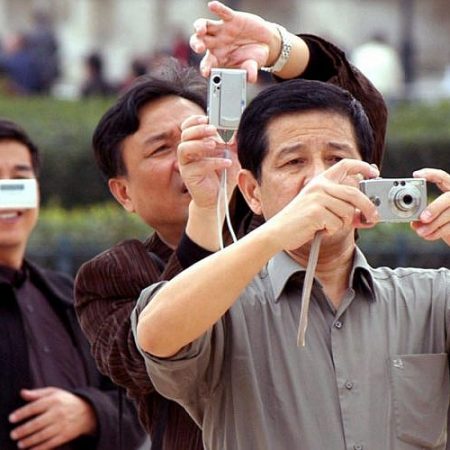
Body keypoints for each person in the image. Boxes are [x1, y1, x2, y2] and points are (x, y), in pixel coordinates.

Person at [74, 1, 387, 448]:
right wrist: (206, 217)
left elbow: (352, 121)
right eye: (162, 149)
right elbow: (152, 354)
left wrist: (279, 49)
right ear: (123, 192)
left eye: (203, 133)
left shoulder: (278, 216)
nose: (190, 156)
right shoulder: (110, 277)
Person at [134, 78, 450, 450]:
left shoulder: (432, 296)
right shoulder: (222, 306)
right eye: (294, 162)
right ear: (252, 192)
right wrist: (281, 229)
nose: (318, 180)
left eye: (336, 160)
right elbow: (154, 334)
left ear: (369, 178)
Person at [0, 119, 145, 450]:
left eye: (19, 180)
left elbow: (138, 405)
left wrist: (89, 412)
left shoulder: (70, 297)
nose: (6, 194)